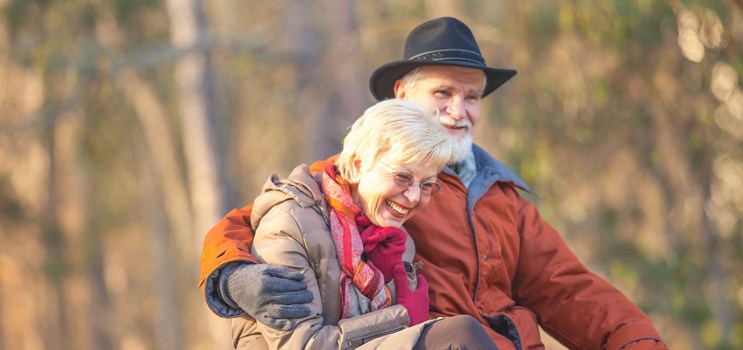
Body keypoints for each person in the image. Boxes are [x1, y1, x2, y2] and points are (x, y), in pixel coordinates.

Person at [199, 17, 667, 350]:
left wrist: (639, 343)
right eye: (442, 93)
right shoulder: (371, 178)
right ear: (402, 95)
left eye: (471, 97)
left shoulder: (505, 198)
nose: (458, 110)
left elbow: (568, 289)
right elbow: (270, 217)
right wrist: (230, 277)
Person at [227, 99, 497, 349]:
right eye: (402, 176)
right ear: (357, 166)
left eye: (426, 185)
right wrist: (403, 316)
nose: (415, 196)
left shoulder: (396, 240)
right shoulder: (289, 225)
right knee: (461, 334)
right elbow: (304, 344)